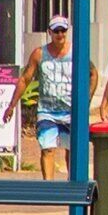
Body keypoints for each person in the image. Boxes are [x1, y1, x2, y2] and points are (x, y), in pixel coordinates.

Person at [28, 17, 76, 176]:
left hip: (70, 110)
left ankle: (72, 184)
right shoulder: (39, 53)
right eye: (56, 31)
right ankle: (48, 186)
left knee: (71, 150)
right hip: (47, 111)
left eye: (63, 30)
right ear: (49, 32)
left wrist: (86, 100)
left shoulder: (75, 52)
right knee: (47, 149)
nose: (60, 34)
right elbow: (25, 78)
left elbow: (93, 74)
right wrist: (12, 105)